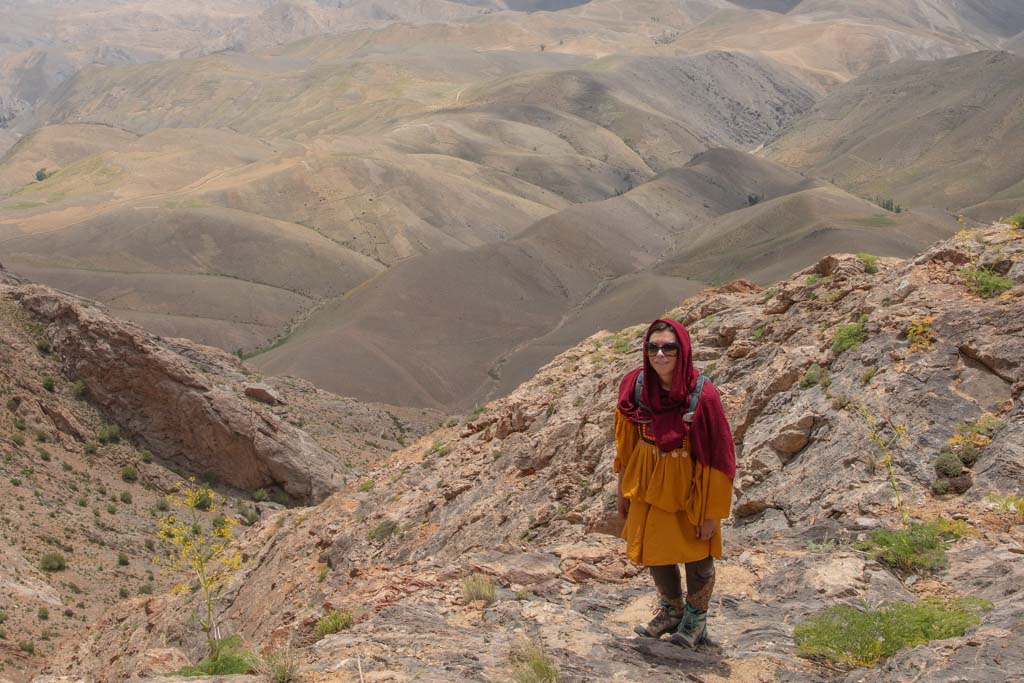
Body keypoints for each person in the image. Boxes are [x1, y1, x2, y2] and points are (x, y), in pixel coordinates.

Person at [613, 318, 736, 647]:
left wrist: (712, 512)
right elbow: (626, 445)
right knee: (656, 549)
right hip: (648, 477)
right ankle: (671, 610)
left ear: (683, 351)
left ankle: (696, 620)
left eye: (669, 347)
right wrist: (622, 489)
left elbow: (720, 455)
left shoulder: (702, 395)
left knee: (697, 550)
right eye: (653, 347)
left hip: (689, 482)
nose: (660, 354)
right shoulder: (636, 387)